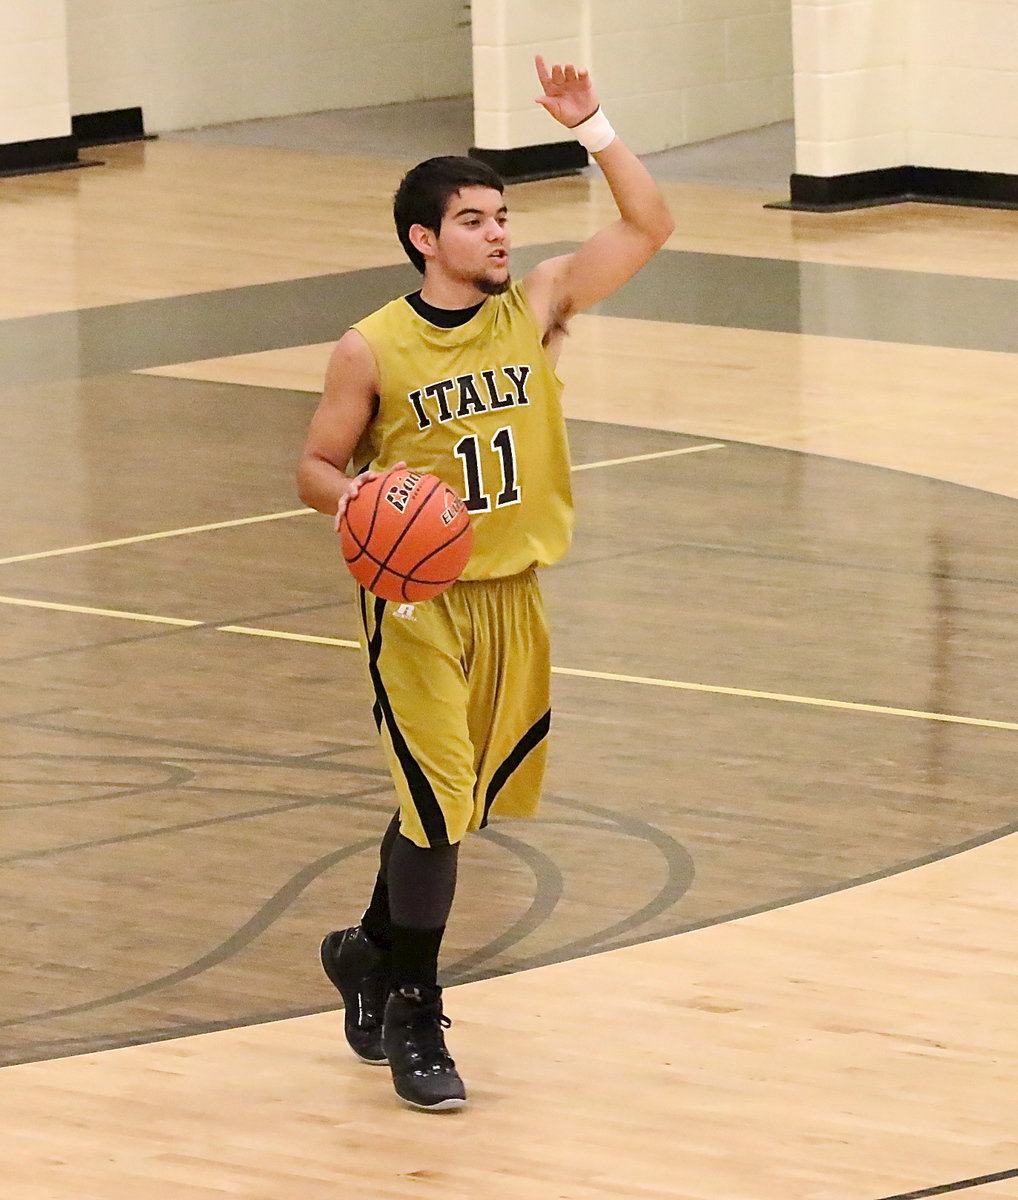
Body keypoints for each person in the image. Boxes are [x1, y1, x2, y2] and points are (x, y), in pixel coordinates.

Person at [296, 55, 673, 1112]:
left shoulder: (539, 304)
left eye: (503, 216)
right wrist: (361, 502)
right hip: (415, 603)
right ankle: (416, 1009)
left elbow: (648, 225)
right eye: (474, 220)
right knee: (431, 811)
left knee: (455, 807)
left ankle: (367, 949)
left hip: (514, 594)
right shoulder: (369, 347)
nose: (499, 233)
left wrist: (592, 124)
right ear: (425, 238)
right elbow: (312, 466)